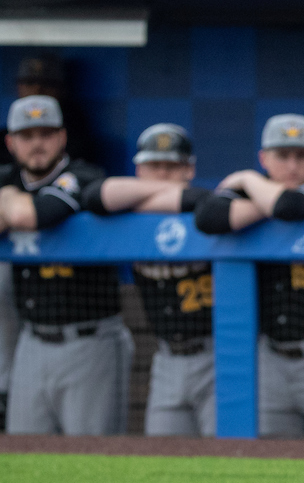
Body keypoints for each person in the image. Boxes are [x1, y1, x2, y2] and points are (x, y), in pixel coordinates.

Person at [194, 114, 304, 440]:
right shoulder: (253, 192)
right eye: (282, 155)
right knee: (271, 458)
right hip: (270, 358)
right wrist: (264, 201)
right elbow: (207, 217)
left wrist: (248, 181)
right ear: (264, 157)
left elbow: (290, 207)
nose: (292, 165)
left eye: (301, 155)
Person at [0, 96, 133, 435]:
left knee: (93, 455)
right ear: (11, 142)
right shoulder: (7, 177)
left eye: (46, 134)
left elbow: (35, 215)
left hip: (89, 338)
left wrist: (9, 199)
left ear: (62, 137)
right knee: (24, 453)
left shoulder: (84, 175)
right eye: (27, 136)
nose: (37, 144)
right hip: (31, 341)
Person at [82, 124, 217, 437]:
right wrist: (161, 195)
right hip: (166, 357)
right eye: (154, 165)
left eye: (172, 166)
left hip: (217, 355)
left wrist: (149, 197)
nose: (163, 173)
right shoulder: (129, 215)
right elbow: (95, 197)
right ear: (139, 169)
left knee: (227, 453)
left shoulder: (205, 209)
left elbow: (205, 200)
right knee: (162, 454)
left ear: (190, 169)